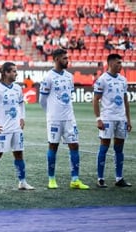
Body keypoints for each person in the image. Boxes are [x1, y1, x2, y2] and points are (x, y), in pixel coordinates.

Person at [39, 48, 89, 190]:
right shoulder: (48, 76)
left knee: (74, 145)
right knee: (53, 146)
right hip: (54, 119)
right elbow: (42, 100)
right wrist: (50, 114)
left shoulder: (69, 76)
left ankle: (75, 180)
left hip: (69, 118)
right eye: (64, 58)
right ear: (56, 59)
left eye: (67, 58)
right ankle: (51, 179)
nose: (67, 60)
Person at [0, 62, 35, 191]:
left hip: (16, 128)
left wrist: (22, 117)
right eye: (13, 71)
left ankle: (22, 182)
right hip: (2, 129)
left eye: (16, 71)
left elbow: (21, 104)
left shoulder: (17, 88)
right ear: (6, 73)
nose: (16, 74)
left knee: (19, 154)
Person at [93, 54, 132, 188]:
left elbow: (126, 101)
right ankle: (100, 178)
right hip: (108, 118)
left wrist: (128, 119)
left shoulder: (123, 80)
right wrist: (98, 119)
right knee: (104, 146)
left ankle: (119, 178)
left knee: (119, 149)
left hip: (121, 119)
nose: (120, 65)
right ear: (110, 64)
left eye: (121, 63)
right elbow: (95, 100)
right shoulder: (102, 80)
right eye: (118, 63)